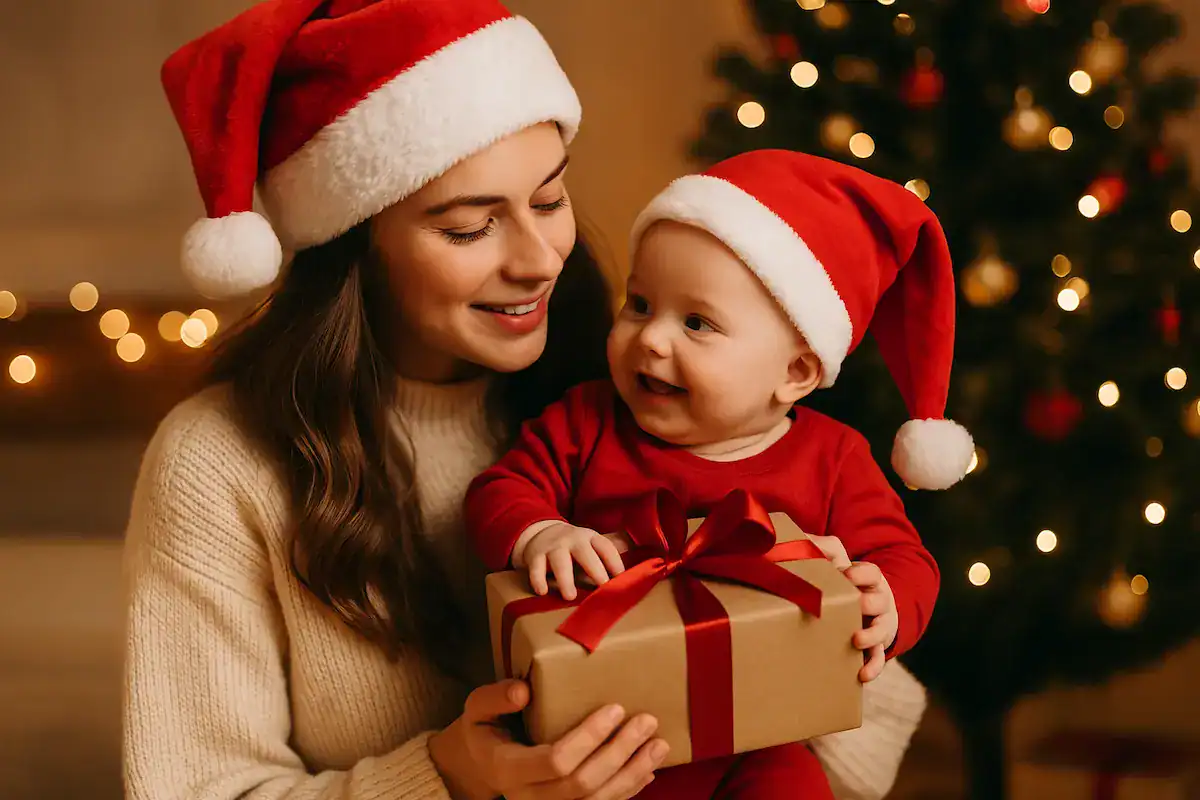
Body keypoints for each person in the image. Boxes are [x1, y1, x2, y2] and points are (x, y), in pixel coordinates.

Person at [122, 0, 924, 795]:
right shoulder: (219, 465)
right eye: (471, 228)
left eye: (549, 200)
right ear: (355, 244)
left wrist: (805, 638)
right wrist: (452, 777)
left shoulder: (629, 396)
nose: (541, 260)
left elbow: (867, 716)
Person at [466, 149, 974, 798]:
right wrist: (540, 533)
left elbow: (904, 556)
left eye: (697, 322)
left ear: (795, 373)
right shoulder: (588, 420)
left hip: (761, 736)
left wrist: (888, 604)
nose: (652, 339)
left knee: (792, 785)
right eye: (640, 304)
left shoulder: (834, 457)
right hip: (604, 726)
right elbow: (498, 491)